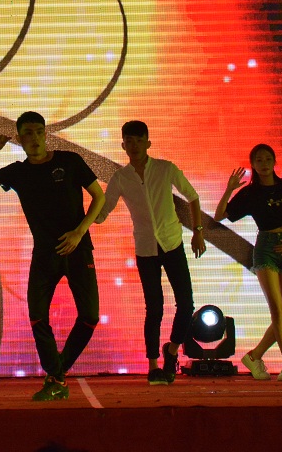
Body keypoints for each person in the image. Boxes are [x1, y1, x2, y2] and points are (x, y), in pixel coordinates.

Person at [0, 111, 105, 402]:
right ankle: (56, 376)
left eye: (39, 131)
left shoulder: (69, 160)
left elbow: (99, 196)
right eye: (28, 133)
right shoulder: (18, 172)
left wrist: (79, 232)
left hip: (78, 248)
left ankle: (57, 373)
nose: (35, 138)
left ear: (45, 134)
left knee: (90, 317)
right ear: (20, 138)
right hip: (44, 253)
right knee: (37, 316)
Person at [95, 121, 206, 385]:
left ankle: (172, 350)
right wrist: (80, 219)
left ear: (148, 143)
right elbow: (103, 211)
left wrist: (198, 232)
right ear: (123, 145)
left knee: (186, 304)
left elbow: (192, 196)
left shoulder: (166, 169)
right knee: (154, 307)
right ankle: (153, 365)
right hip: (145, 248)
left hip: (172, 243)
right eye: (129, 141)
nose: (134, 145)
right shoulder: (120, 178)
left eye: (138, 140)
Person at [215, 143, 282, 383]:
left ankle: (255, 355)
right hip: (266, 248)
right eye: (259, 160)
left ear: (274, 162)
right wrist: (229, 190)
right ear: (253, 165)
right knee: (277, 310)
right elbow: (219, 216)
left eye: (268, 159)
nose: (264, 164)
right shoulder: (251, 193)